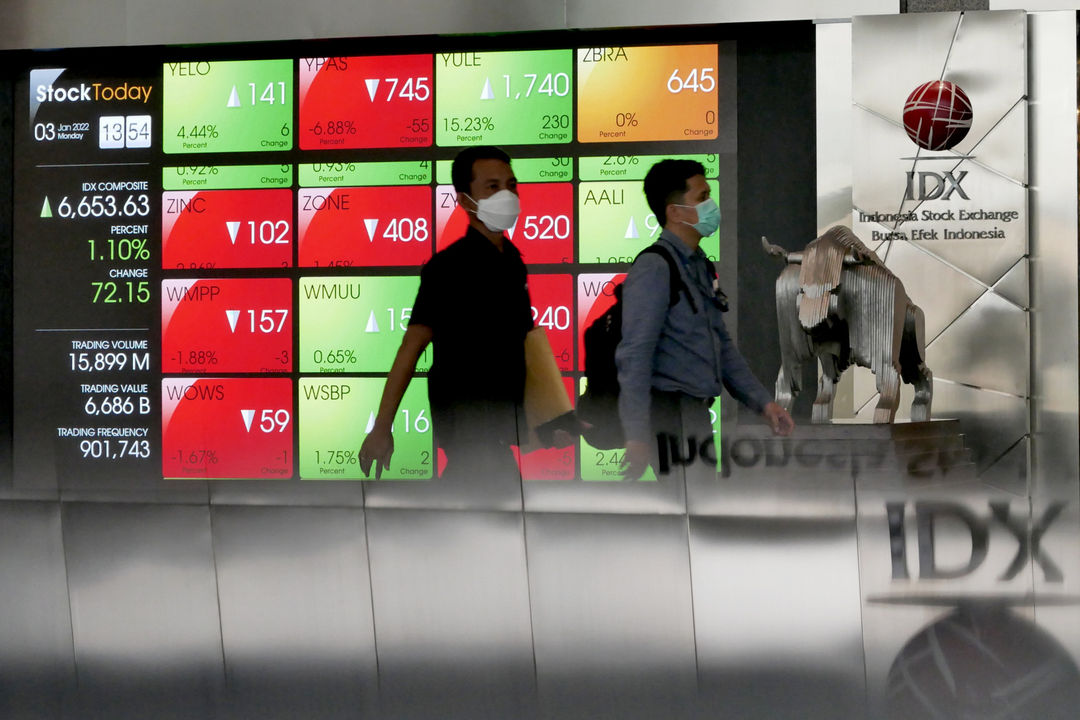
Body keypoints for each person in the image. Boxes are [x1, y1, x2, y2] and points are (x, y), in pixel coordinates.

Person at [360, 146, 532, 481]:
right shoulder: (448, 268)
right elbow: (411, 347)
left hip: (499, 428)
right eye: (492, 187)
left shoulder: (512, 261)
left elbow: (527, 343)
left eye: (511, 185)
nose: (507, 195)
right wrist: (382, 428)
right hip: (466, 426)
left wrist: (550, 417)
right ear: (466, 200)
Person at [617, 159, 794, 481]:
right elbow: (635, 355)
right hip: (669, 416)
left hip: (694, 414)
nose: (712, 205)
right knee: (686, 515)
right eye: (702, 197)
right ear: (675, 212)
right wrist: (637, 435)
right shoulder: (655, 267)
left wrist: (764, 404)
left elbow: (722, 347)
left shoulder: (698, 265)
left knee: (698, 511)